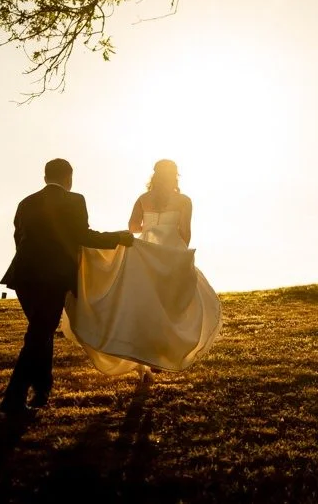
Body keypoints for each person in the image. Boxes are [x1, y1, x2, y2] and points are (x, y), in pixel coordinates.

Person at [60, 159, 221, 376]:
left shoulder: (144, 199)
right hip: (171, 251)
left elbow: (133, 227)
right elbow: (186, 231)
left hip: (146, 251)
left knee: (145, 303)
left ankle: (143, 359)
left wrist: (150, 226)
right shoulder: (184, 200)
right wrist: (178, 251)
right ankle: (163, 352)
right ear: (175, 176)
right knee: (170, 305)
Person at [0, 158, 134, 414]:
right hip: (52, 278)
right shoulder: (74, 200)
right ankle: (13, 399)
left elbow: (18, 236)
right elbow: (83, 235)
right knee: (38, 335)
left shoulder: (26, 202)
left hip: (23, 277)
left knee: (41, 332)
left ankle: (42, 390)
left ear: (45, 177)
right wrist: (118, 238)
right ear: (69, 178)